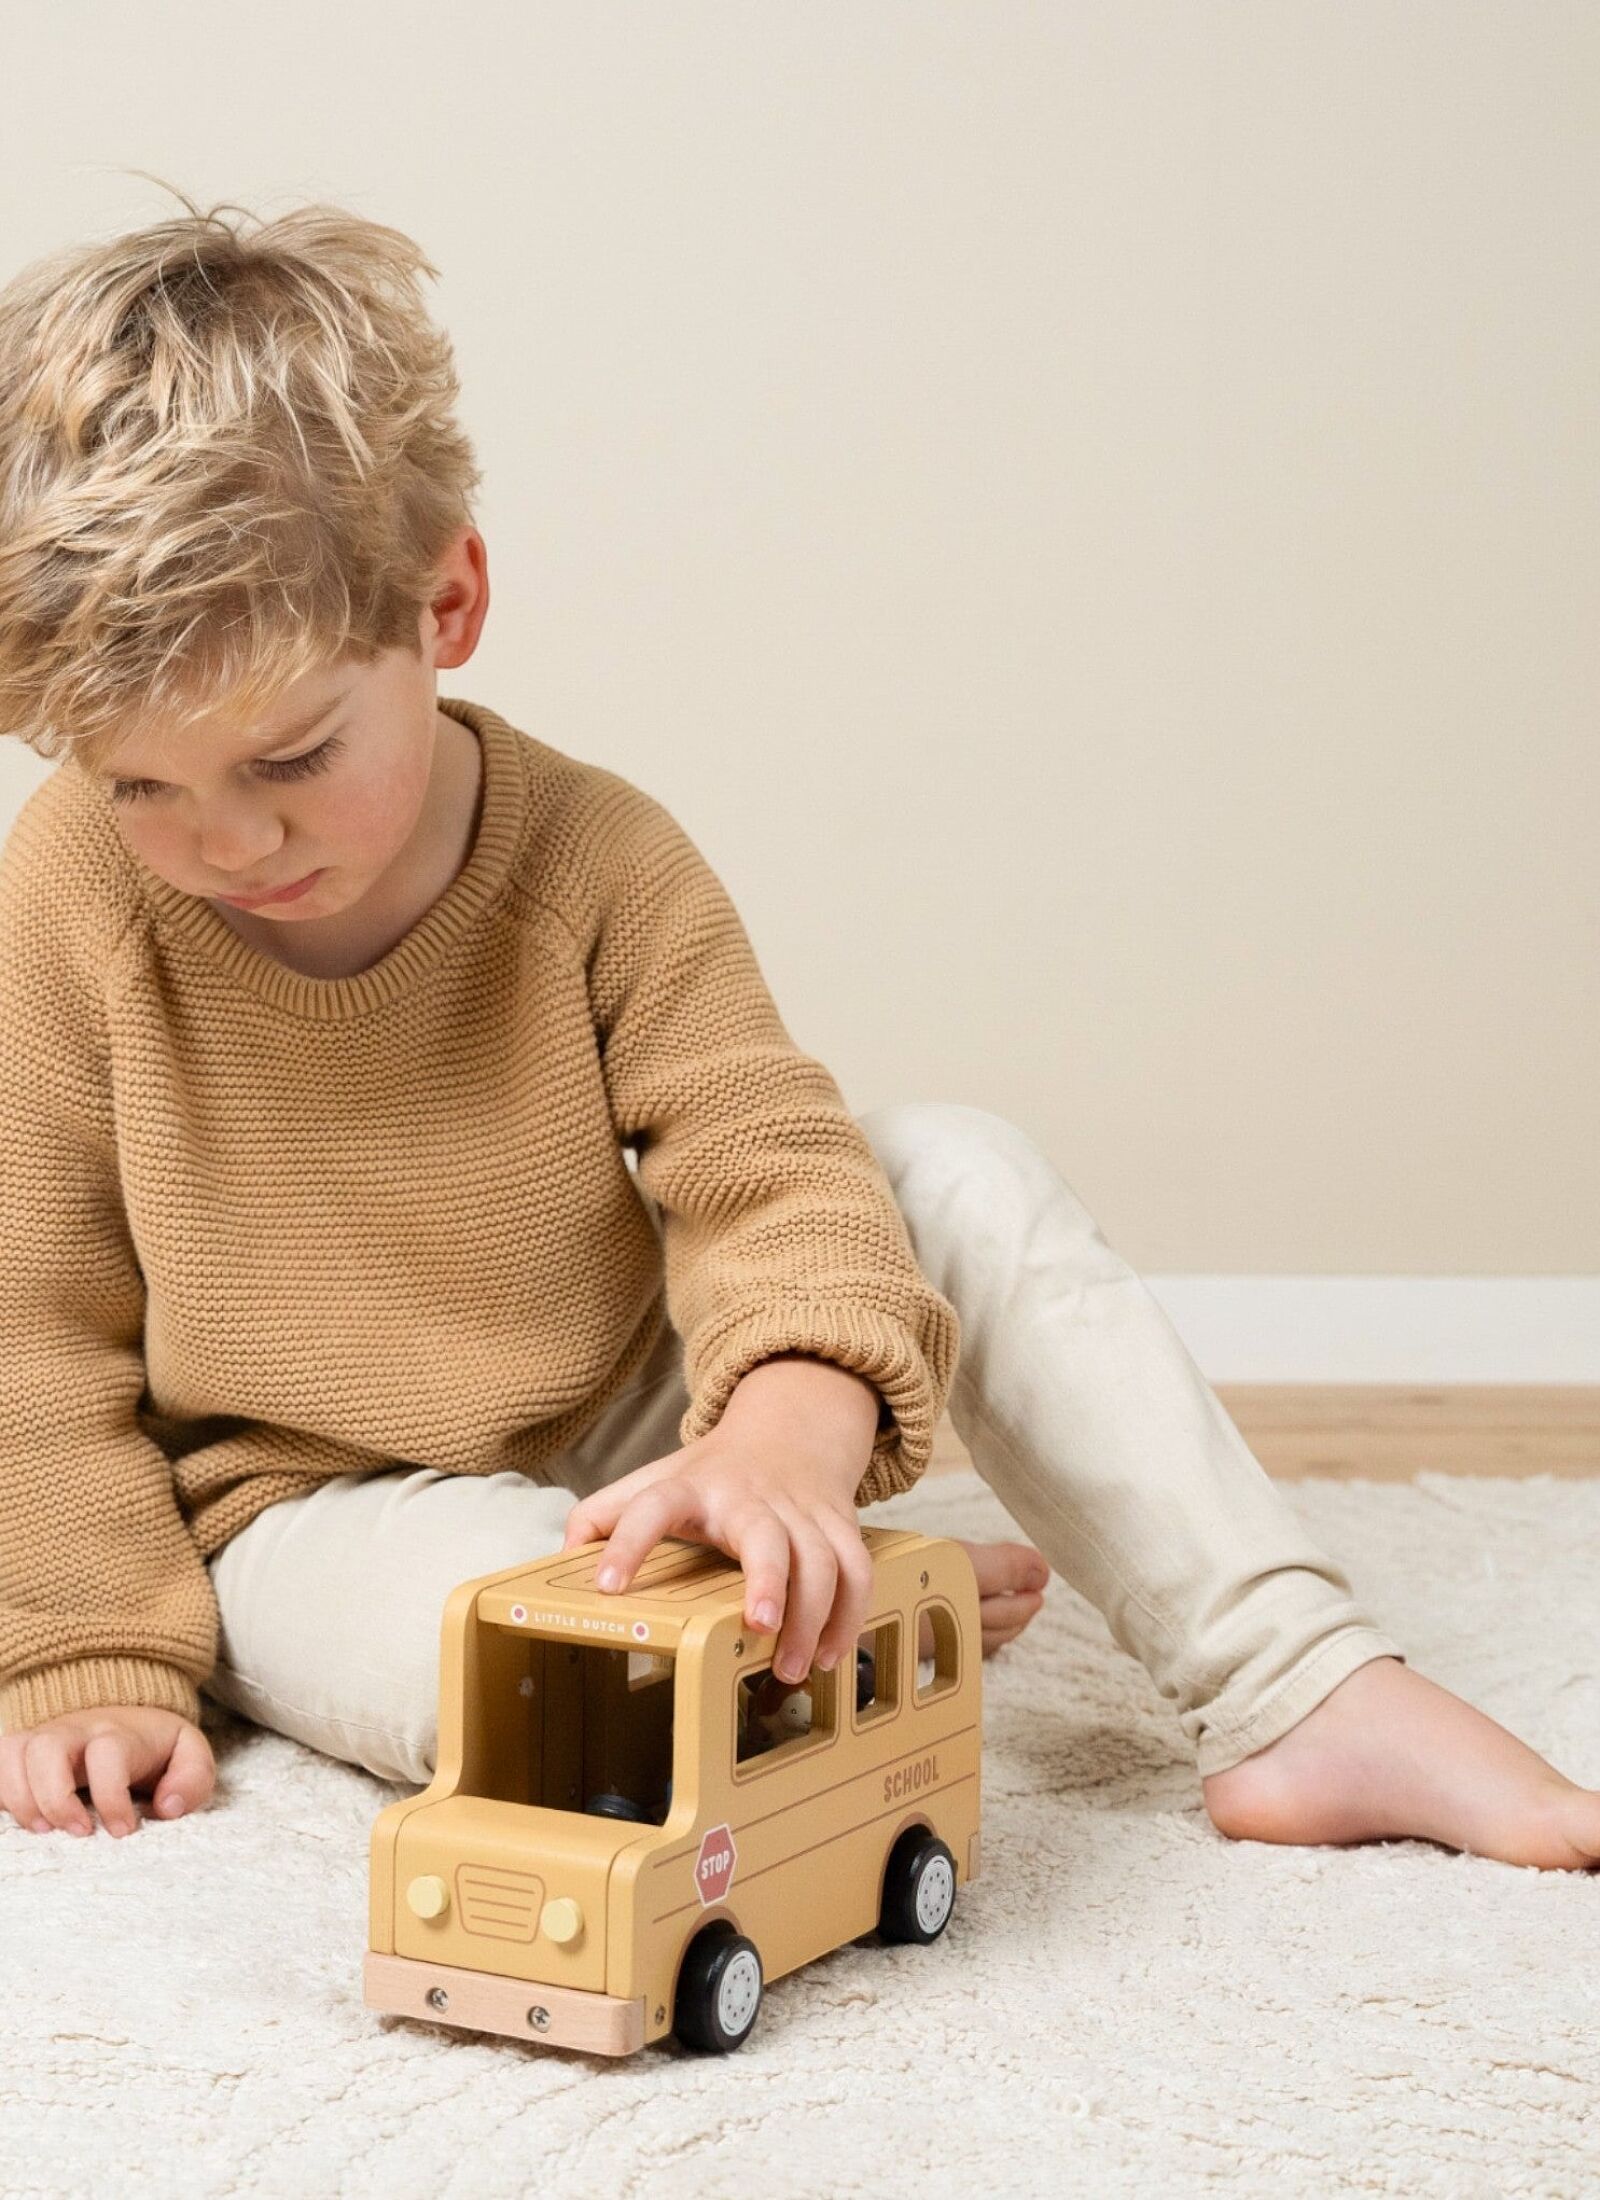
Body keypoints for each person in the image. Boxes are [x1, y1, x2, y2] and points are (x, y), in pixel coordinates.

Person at [0, 191, 1595, 1876]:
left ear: (444, 606)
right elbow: (30, 1323)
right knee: (517, 1662)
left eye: (292, 756)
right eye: (141, 786)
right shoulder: (74, 901)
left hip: (622, 1400)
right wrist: (89, 1648)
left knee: (952, 1169)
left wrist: (779, 1434)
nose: (229, 843)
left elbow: (773, 1177)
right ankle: (786, 1609)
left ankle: (1298, 1690)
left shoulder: (599, 856)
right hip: (307, 1504)